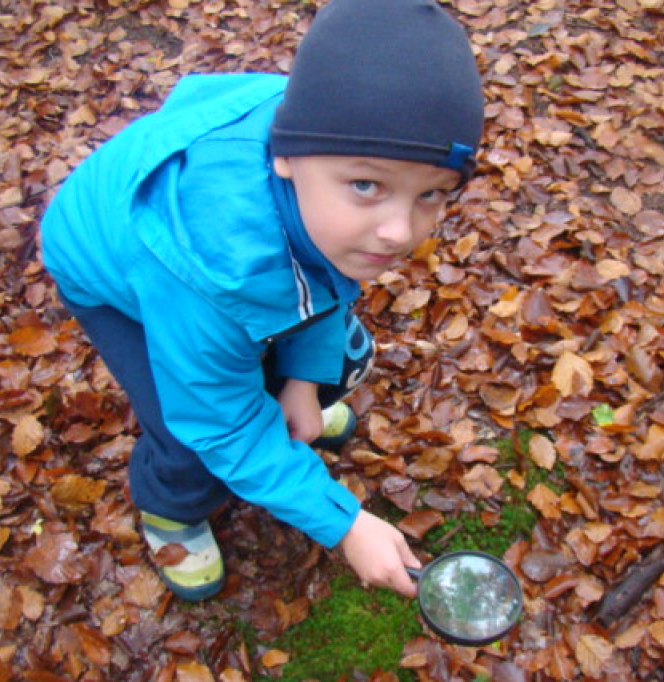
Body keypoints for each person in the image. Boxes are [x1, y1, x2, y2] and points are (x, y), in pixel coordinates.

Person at [39, 0, 484, 602]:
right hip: (113, 272)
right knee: (188, 433)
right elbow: (219, 423)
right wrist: (346, 523)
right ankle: (170, 511)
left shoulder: (327, 148)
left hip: (222, 272)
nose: (400, 231)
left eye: (432, 194)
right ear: (286, 157)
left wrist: (301, 383)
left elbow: (322, 282)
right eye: (367, 185)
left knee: (331, 357)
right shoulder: (211, 270)